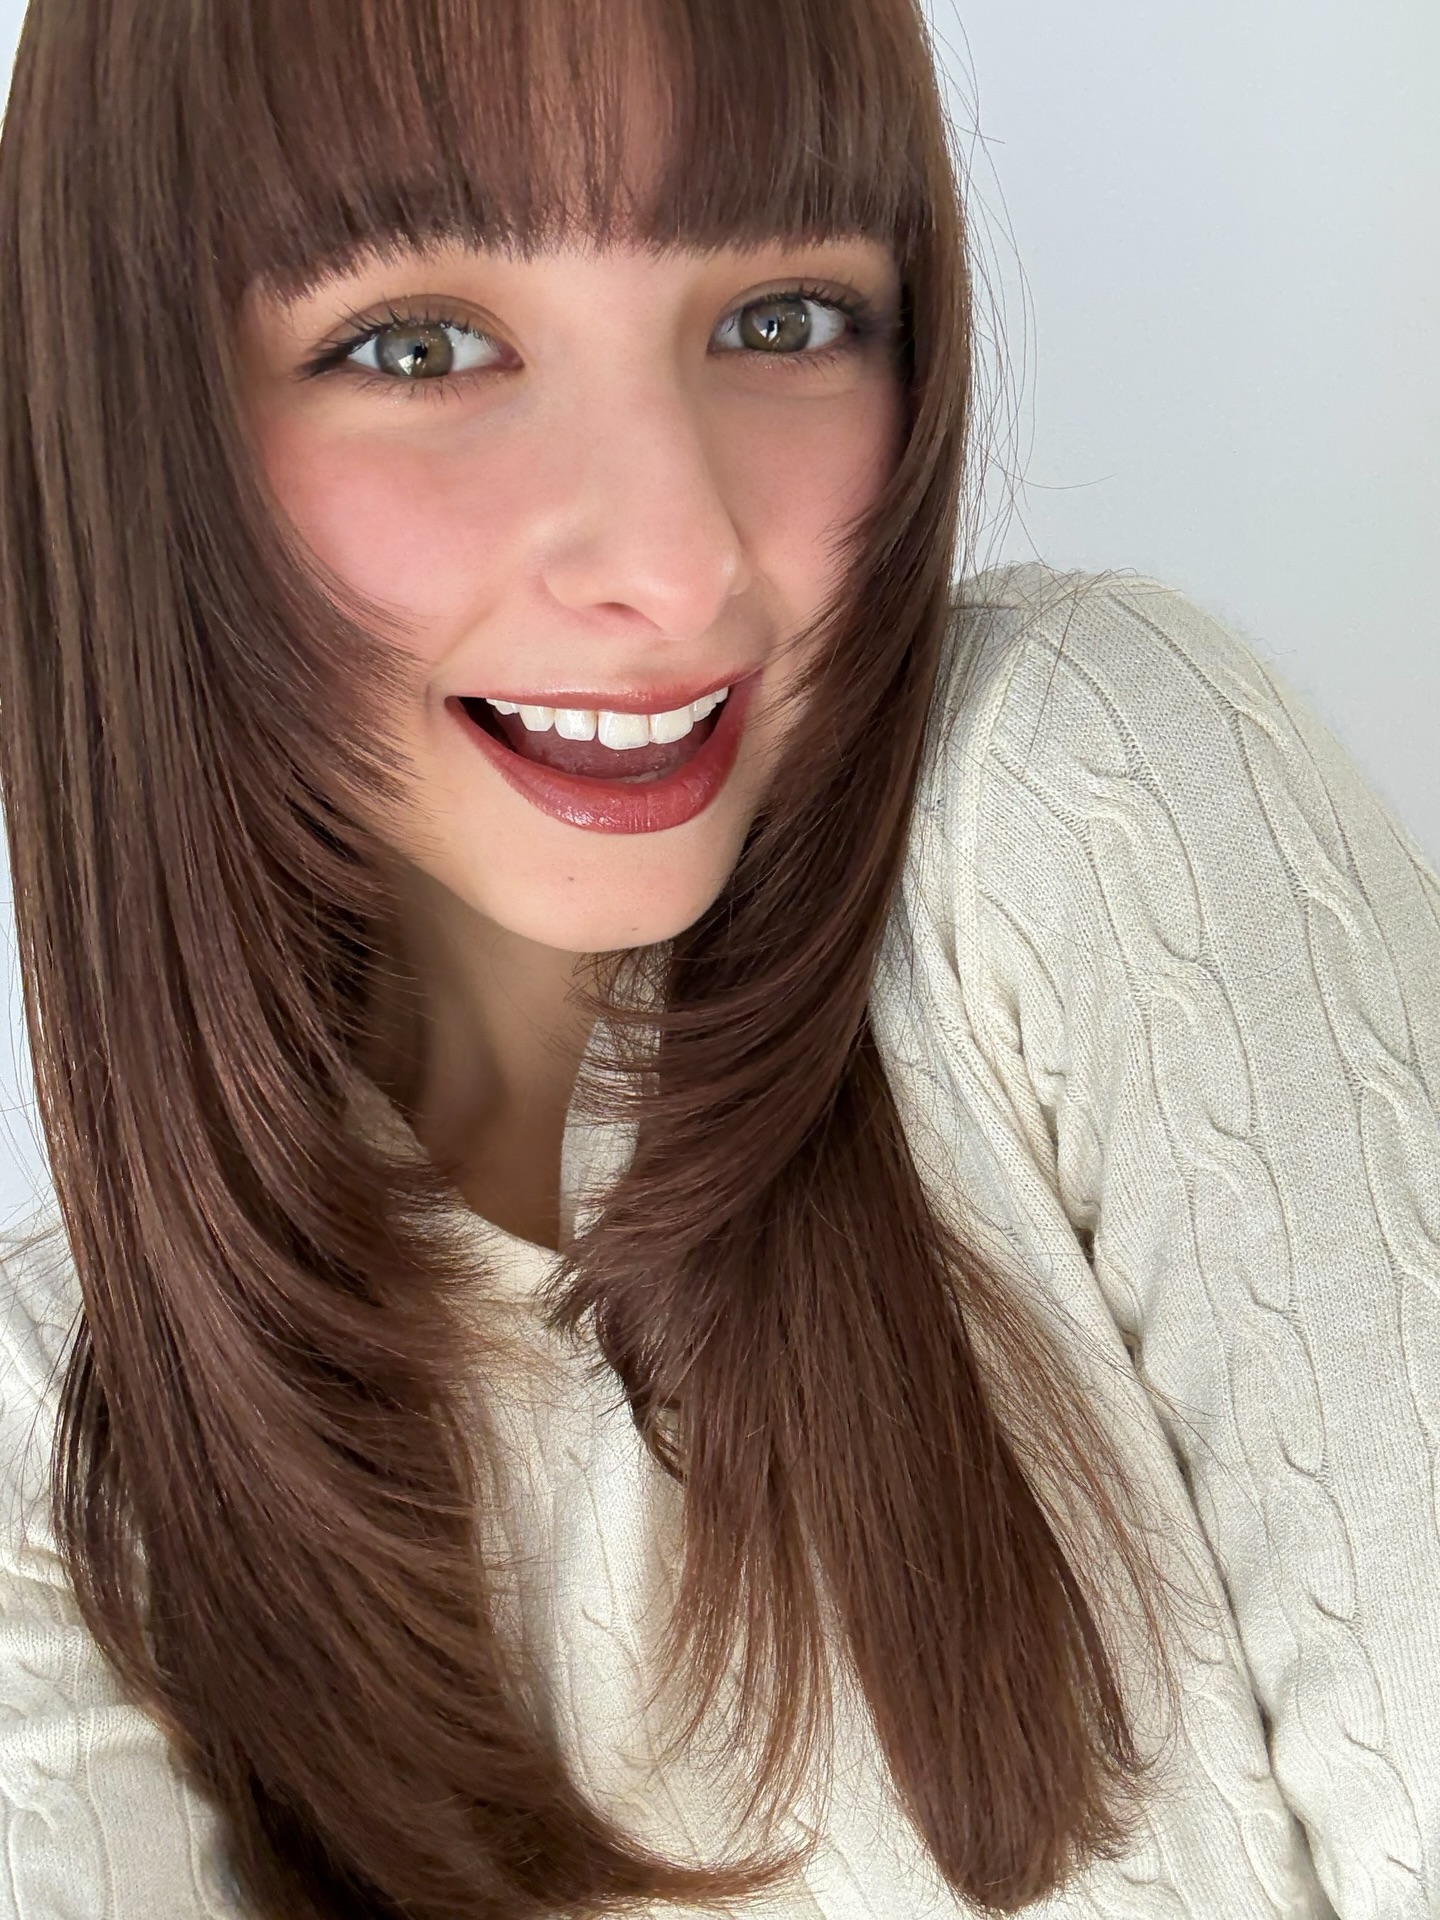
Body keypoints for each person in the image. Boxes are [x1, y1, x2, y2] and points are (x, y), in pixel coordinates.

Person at [0, 0, 1435, 1914]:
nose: (677, 561)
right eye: (420, 347)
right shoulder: (59, 1446)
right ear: (131, 429)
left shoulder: (1066, 809)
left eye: (781, 319)